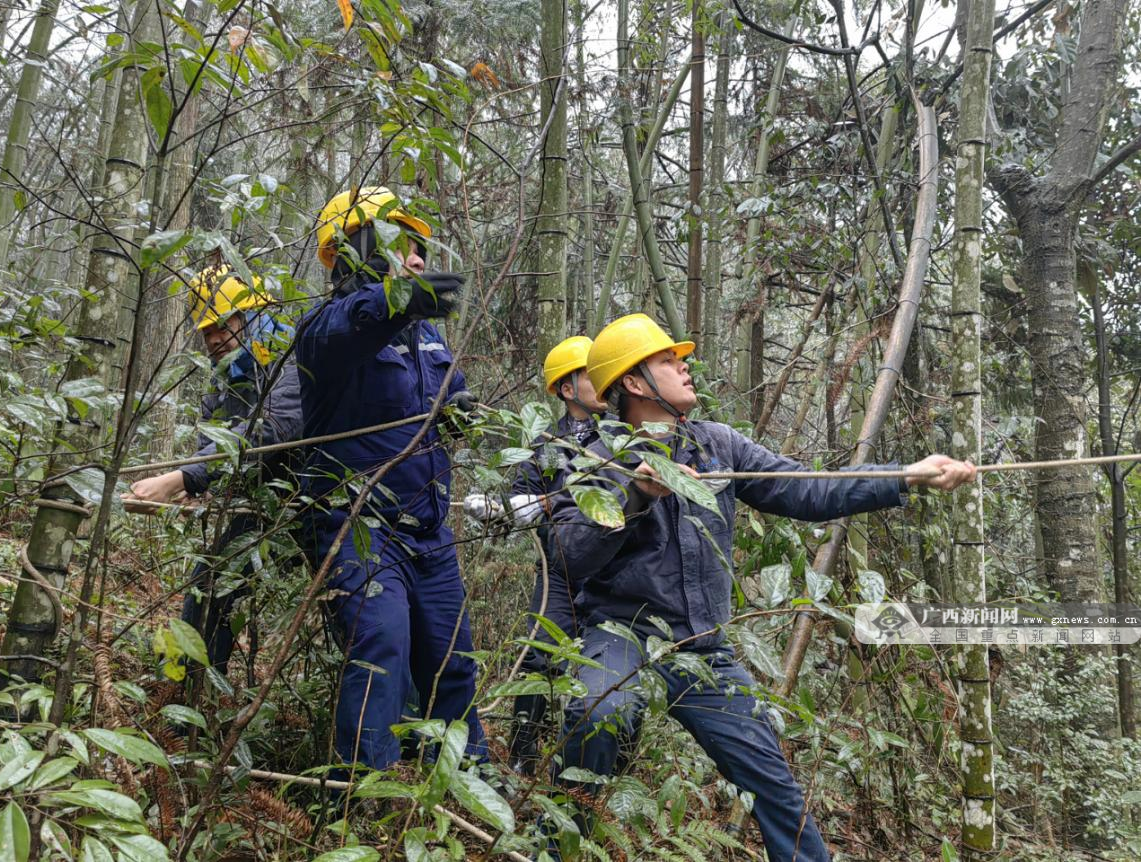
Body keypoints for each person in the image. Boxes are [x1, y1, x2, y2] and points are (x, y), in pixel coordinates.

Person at [548, 313, 975, 862]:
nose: (684, 367)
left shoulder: (717, 444)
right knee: (596, 714)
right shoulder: (592, 456)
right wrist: (634, 495)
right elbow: (570, 555)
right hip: (620, 636)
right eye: (666, 361)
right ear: (633, 383)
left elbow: (805, 491)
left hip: (701, 645)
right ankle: (555, 848)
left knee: (772, 782)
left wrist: (906, 476)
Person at [296, 186, 485, 771]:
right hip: (358, 528)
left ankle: (464, 781)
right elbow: (355, 321)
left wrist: (464, 408)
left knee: (453, 658)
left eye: (420, 248)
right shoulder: (324, 329)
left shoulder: (427, 334)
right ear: (356, 249)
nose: (420, 259)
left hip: (429, 528)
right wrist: (398, 297)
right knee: (381, 649)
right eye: (402, 245)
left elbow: (448, 394)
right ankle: (362, 797)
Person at [123, 266, 303, 675]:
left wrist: (183, 477)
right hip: (259, 504)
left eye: (223, 325)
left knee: (358, 614)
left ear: (251, 317)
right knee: (209, 588)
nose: (214, 339)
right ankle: (188, 701)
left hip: (314, 501)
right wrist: (186, 488)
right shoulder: (226, 377)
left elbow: (276, 428)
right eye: (206, 332)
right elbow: (213, 435)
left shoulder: (289, 357)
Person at [465, 335, 608, 774]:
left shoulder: (625, 434)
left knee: (608, 672)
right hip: (561, 571)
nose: (603, 382)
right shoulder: (546, 444)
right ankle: (524, 755)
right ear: (567, 390)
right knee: (539, 654)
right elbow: (522, 496)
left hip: (616, 572)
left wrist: (550, 502)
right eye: (591, 374)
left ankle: (593, 766)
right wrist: (501, 510)